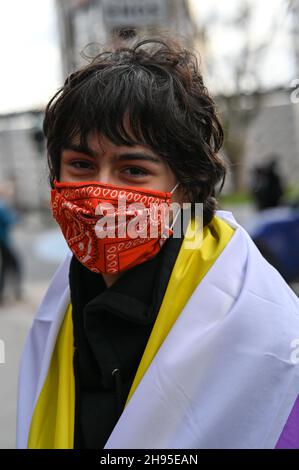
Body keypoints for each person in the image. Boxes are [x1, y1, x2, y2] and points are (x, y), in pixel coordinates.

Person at [17, 38, 299, 449]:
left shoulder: (259, 324)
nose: (101, 192)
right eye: (81, 165)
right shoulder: (65, 296)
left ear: (185, 189)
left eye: (132, 170)